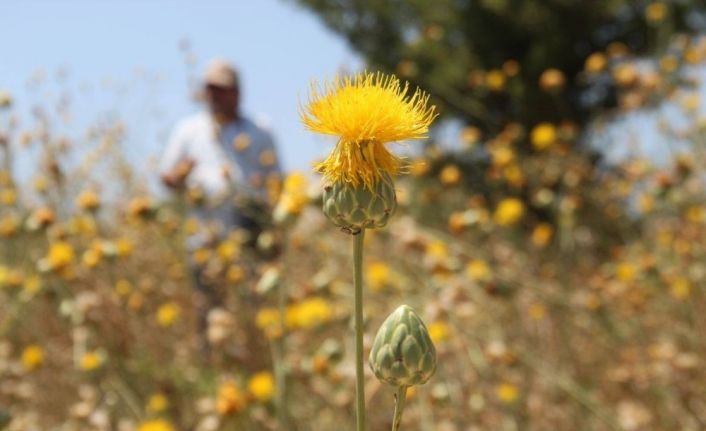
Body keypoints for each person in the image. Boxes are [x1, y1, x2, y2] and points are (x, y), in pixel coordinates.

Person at [160, 58, 282, 352]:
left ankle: (255, 359)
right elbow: (167, 177)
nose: (215, 96)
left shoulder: (259, 130)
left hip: (251, 232)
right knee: (209, 307)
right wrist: (180, 176)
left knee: (254, 305)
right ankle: (212, 365)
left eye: (222, 90)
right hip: (205, 235)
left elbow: (278, 182)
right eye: (210, 89)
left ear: (238, 92)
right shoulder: (188, 130)